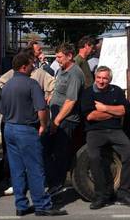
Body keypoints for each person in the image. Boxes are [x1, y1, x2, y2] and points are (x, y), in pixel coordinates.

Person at [0, 52, 67, 216]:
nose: (33, 67)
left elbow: (3, 110)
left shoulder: (7, 84)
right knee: (35, 168)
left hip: (10, 127)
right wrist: (43, 125)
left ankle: (21, 205)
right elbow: (42, 109)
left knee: (17, 169)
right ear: (24, 66)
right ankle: (42, 205)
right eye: (31, 65)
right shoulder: (31, 84)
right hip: (26, 129)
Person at [81, 66, 130, 209]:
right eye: (99, 78)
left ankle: (124, 192)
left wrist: (105, 108)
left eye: (105, 78)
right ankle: (101, 196)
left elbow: (125, 110)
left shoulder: (117, 91)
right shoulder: (87, 93)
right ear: (95, 77)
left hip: (115, 130)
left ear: (110, 79)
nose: (101, 81)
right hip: (94, 131)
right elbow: (91, 115)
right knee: (94, 158)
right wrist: (114, 112)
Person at [45, 43, 85, 194]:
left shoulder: (75, 73)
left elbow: (70, 101)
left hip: (66, 120)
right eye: (56, 56)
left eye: (60, 57)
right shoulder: (62, 70)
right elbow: (58, 90)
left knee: (60, 153)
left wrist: (57, 121)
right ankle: (53, 182)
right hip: (57, 117)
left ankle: (58, 185)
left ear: (69, 56)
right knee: (50, 151)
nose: (57, 59)